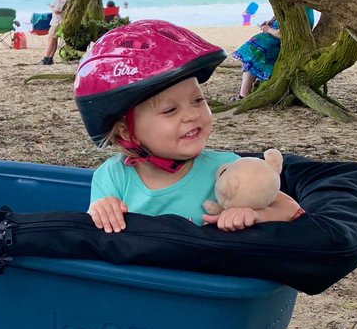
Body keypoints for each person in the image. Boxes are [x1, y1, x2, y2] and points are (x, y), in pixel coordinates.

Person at [74, 21, 303, 232]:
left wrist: (255, 214)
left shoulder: (228, 169)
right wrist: (102, 209)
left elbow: (292, 210)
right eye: (170, 110)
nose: (192, 115)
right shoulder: (113, 177)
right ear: (126, 130)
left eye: (198, 100)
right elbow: (98, 235)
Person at [232, 15, 281, 98]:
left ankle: (243, 95)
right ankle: (245, 93)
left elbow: (282, 34)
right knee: (250, 58)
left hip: (275, 45)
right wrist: (272, 21)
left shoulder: (299, 10)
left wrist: (269, 29)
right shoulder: (294, 7)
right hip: (268, 43)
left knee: (252, 57)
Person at [40, 0, 72, 65]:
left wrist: (51, 6)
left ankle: (46, 58)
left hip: (58, 20)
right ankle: (50, 58)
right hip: (64, 18)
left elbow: (57, 10)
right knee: (54, 39)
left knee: (51, 38)